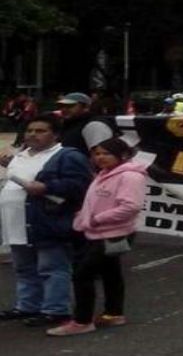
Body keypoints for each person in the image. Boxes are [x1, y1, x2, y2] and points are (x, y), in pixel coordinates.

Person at [47, 138, 146, 336]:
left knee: (82, 274)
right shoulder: (104, 174)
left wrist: (95, 219)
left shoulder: (130, 176)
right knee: (110, 272)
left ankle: (82, 321)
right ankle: (113, 314)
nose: (100, 157)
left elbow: (130, 207)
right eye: (97, 153)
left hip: (114, 233)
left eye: (106, 153)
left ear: (123, 155)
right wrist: (83, 217)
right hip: (98, 232)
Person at [0, 115, 92, 327]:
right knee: (24, 268)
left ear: (56, 135)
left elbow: (80, 186)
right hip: (17, 223)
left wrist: (47, 188)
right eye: (30, 130)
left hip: (48, 222)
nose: (33, 134)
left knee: (52, 267)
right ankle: (28, 305)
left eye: (40, 131)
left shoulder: (67, 156)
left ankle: (55, 309)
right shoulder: (20, 156)